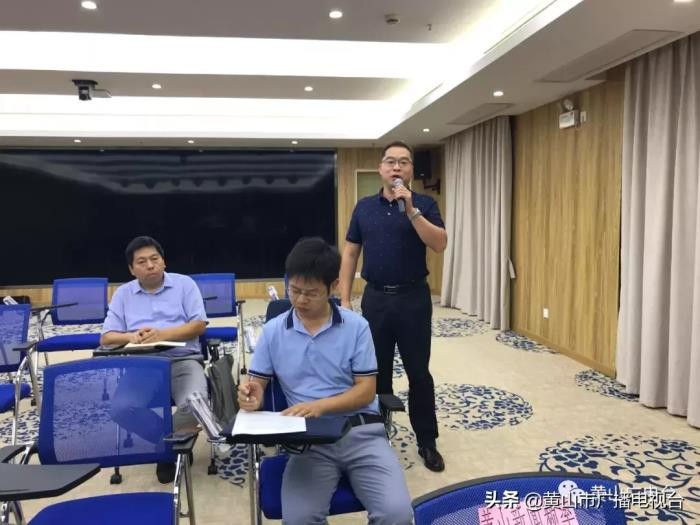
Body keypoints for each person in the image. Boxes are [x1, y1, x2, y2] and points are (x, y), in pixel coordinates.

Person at [238, 237, 413, 525]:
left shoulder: (357, 327)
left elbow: (366, 391)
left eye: (311, 293)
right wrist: (251, 395)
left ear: (333, 287)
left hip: (361, 434)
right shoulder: (272, 331)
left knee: (398, 515)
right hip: (309, 442)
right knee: (299, 520)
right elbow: (257, 385)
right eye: (294, 290)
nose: (300, 300)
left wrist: (320, 406)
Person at [339, 140, 448, 472]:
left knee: (419, 373)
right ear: (381, 169)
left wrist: (411, 210)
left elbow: (440, 243)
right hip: (376, 299)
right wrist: (344, 298)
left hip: (413, 299)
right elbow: (350, 253)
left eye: (403, 162)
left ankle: (427, 441)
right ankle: (377, 435)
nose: (396, 167)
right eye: (390, 161)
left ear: (411, 169)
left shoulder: (424, 204)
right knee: (376, 372)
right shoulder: (364, 208)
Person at [100, 235, 208, 483]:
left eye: (154, 259)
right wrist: (131, 336)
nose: (150, 265)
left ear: (163, 261)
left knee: (197, 402)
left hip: (183, 360)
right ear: (131, 269)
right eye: (142, 262)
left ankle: (167, 450)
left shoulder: (185, 285)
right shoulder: (123, 294)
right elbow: (106, 337)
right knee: (121, 409)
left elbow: (199, 325)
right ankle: (171, 446)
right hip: (143, 365)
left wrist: (162, 334)